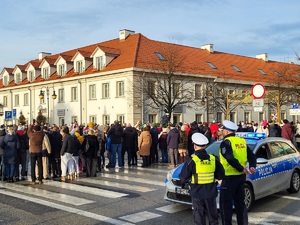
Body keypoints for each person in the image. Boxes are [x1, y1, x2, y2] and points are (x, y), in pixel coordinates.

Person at [180, 133, 224, 225]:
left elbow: (183, 178)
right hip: (211, 193)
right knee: (213, 219)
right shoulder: (213, 159)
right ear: (205, 146)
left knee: (199, 218)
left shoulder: (192, 160)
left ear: (195, 146)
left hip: (197, 194)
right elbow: (221, 175)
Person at [219, 120, 257, 225]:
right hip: (241, 178)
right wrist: (252, 166)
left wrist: (240, 168)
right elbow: (252, 156)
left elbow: (229, 158)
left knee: (225, 206)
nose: (222, 132)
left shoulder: (226, 143)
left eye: (223, 130)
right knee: (240, 204)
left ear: (226, 132)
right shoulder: (242, 141)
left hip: (229, 178)